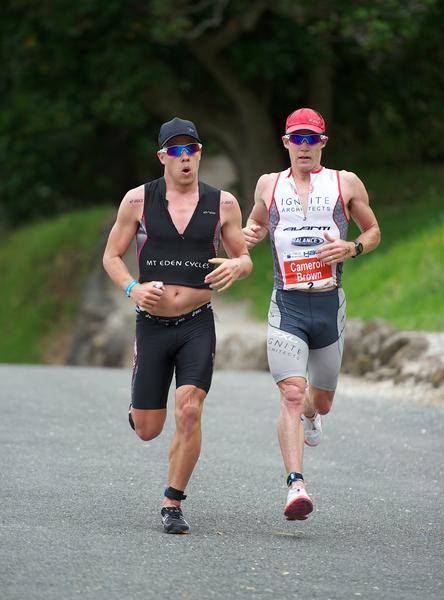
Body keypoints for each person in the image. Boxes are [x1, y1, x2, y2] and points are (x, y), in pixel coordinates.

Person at [103, 117, 252, 534]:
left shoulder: (223, 203)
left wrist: (236, 268)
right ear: (163, 157)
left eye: (192, 150)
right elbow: (111, 256)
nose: (185, 158)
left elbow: (243, 256)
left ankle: (173, 502)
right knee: (149, 430)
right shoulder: (137, 200)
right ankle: (140, 408)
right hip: (151, 324)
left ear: (200, 154)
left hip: (196, 325)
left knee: (189, 409)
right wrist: (133, 287)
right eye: (176, 151)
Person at [243, 107, 380, 520]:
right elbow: (256, 223)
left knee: (319, 401)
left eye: (311, 139)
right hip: (286, 305)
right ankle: (295, 487)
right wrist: (252, 233)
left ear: (323, 142)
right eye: (296, 139)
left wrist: (351, 248)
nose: (304, 147)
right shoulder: (268, 184)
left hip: (328, 303)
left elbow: (373, 231)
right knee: (290, 393)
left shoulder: (345, 182)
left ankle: (311, 415)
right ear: (285, 143)